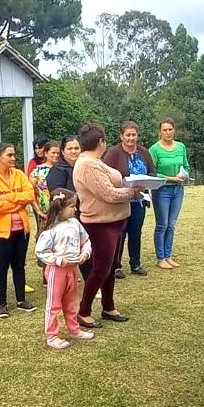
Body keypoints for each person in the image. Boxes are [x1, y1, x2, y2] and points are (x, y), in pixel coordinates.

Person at [73, 123, 141, 329]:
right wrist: (133, 191)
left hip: (113, 221)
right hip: (100, 223)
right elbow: (109, 193)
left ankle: (108, 306)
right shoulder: (87, 165)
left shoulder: (95, 162)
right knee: (100, 268)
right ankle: (84, 311)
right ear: (100, 142)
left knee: (111, 267)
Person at [0, 142, 37, 318]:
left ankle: (21, 300)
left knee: (19, 266)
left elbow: (30, 195)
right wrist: (18, 202)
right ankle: (2, 304)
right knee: (0, 267)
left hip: (21, 231)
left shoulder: (19, 174)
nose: (13, 158)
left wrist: (8, 197)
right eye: (9, 155)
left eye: (14, 155)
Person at [35, 189, 94, 350]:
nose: (75, 209)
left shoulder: (75, 223)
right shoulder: (50, 229)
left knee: (70, 302)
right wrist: (59, 260)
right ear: (60, 208)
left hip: (72, 270)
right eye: (72, 206)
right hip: (57, 271)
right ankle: (52, 335)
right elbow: (41, 251)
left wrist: (85, 253)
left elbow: (86, 240)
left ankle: (74, 329)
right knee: (54, 304)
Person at [104, 121, 156, 278]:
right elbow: (105, 174)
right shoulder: (113, 153)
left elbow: (152, 173)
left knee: (136, 232)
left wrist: (146, 182)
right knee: (120, 233)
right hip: (121, 200)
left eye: (134, 135)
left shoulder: (144, 152)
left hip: (139, 200)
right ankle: (116, 266)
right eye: (128, 135)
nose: (131, 138)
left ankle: (135, 264)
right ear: (121, 136)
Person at [149, 118, 190, 269]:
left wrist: (184, 175)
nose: (168, 133)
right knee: (162, 224)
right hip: (162, 190)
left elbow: (186, 165)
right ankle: (160, 258)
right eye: (164, 130)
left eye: (170, 129)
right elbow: (152, 172)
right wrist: (172, 178)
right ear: (160, 132)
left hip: (178, 190)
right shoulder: (154, 149)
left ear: (174, 130)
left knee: (171, 225)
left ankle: (168, 256)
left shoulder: (181, 147)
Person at [28, 141, 60, 217]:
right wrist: (38, 211)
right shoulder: (38, 171)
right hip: (45, 213)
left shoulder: (62, 169)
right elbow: (29, 192)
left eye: (58, 153)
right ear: (46, 153)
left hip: (61, 212)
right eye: (53, 153)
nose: (56, 155)